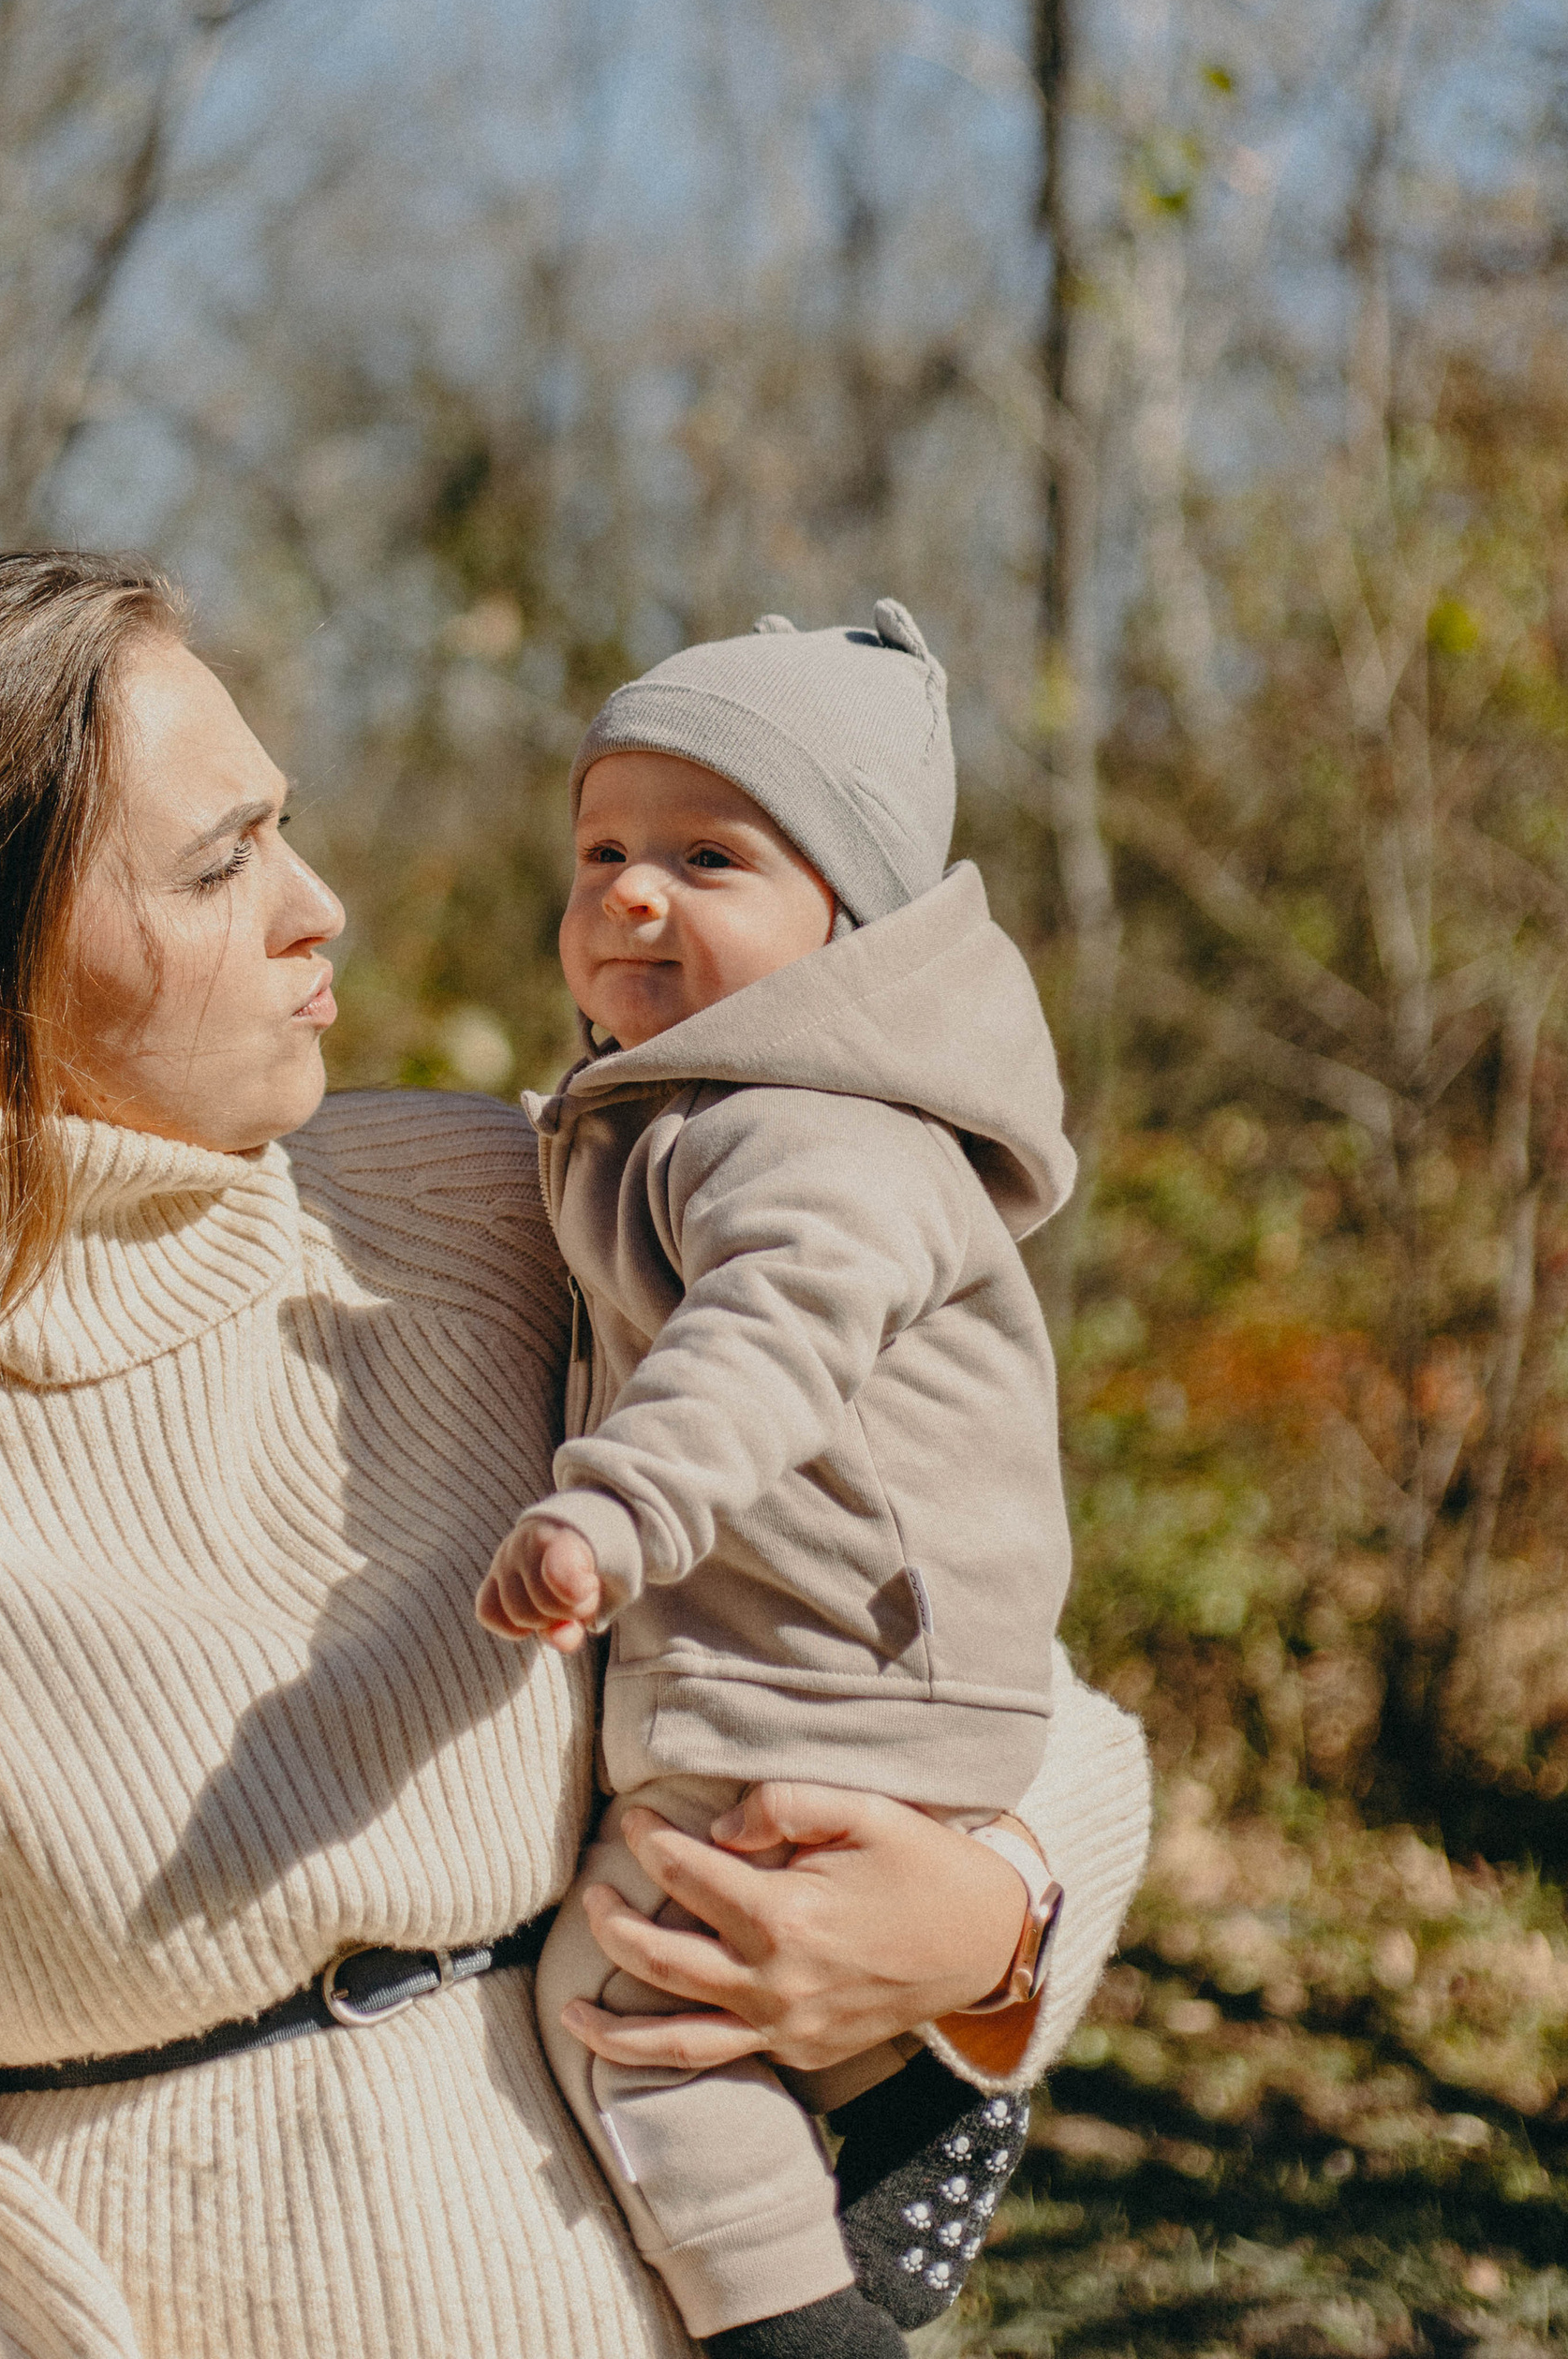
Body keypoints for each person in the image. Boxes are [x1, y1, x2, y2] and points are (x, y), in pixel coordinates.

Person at [0, 552, 1152, 2359]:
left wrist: (985, 1927)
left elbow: (966, 1663)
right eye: (217, 861)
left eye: (286, 827)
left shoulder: (517, 1210)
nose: (318, 905)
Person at [479, 606, 1080, 2356]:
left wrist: (611, 1511)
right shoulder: (692, 1115)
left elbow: (760, 1346)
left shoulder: (815, 1136)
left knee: (632, 2001)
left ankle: (796, 2328)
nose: (630, 894)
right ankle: (905, 2100)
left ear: (852, 924)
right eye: (602, 850)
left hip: (841, 1665)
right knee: (719, 1975)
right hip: (837, 1655)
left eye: (709, 854)